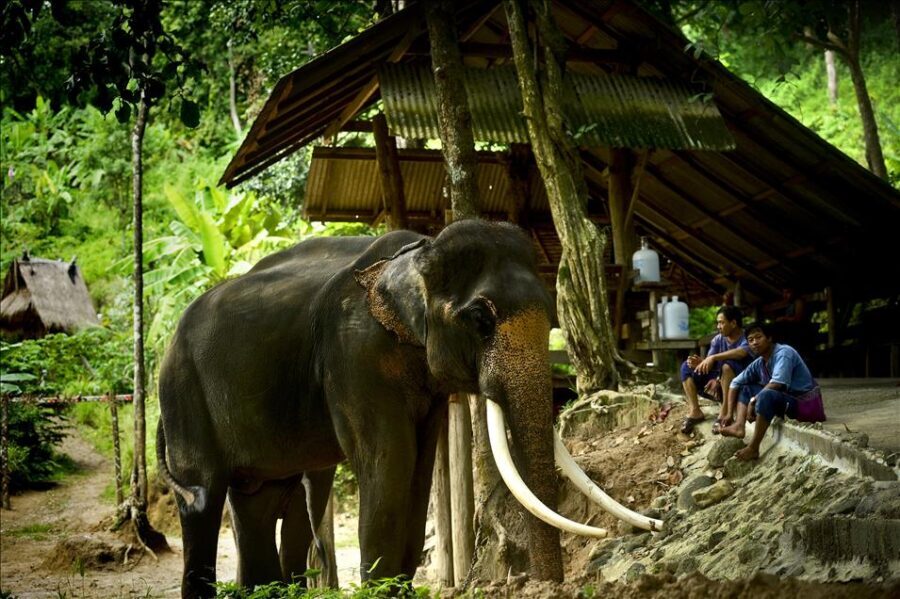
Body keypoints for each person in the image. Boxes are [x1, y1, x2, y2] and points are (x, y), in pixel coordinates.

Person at [720, 321, 826, 461]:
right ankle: (739, 426)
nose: (754, 343)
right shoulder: (760, 362)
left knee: (766, 395)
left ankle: (753, 448)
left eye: (758, 337)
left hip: (805, 405)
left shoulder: (784, 352)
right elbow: (735, 382)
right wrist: (728, 414)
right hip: (786, 400)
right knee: (746, 388)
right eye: (750, 340)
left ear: (769, 338)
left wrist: (753, 402)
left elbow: (777, 383)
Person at [679, 305, 753, 435]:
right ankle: (695, 411)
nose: (718, 326)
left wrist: (714, 358)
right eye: (717, 323)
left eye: (721, 322)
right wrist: (701, 364)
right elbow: (709, 363)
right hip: (721, 382)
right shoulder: (718, 339)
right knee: (686, 366)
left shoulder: (748, 337)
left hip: (741, 386)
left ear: (734, 323)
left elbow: (741, 353)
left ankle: (724, 412)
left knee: (727, 366)